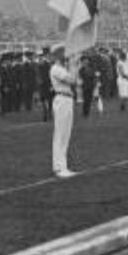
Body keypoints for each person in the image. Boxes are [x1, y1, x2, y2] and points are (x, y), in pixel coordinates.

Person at [48, 44, 77, 178]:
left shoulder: (60, 68)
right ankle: (59, 167)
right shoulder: (56, 69)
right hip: (62, 99)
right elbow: (72, 80)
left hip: (67, 100)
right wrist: (73, 64)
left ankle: (62, 166)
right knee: (60, 134)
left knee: (65, 134)